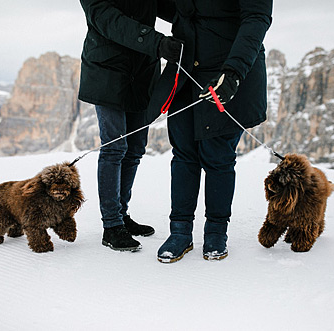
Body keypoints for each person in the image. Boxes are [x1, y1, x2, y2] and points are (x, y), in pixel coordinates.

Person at [150, 0, 273, 262]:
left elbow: (256, 19)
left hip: (226, 73)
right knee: (183, 153)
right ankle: (180, 231)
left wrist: (234, 72)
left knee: (217, 156)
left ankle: (216, 232)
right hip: (186, 71)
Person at [77, 0, 180, 252]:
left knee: (134, 149)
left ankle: (121, 216)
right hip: (107, 72)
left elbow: (176, 9)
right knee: (114, 147)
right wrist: (157, 43)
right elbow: (109, 20)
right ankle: (111, 226)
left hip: (142, 72)